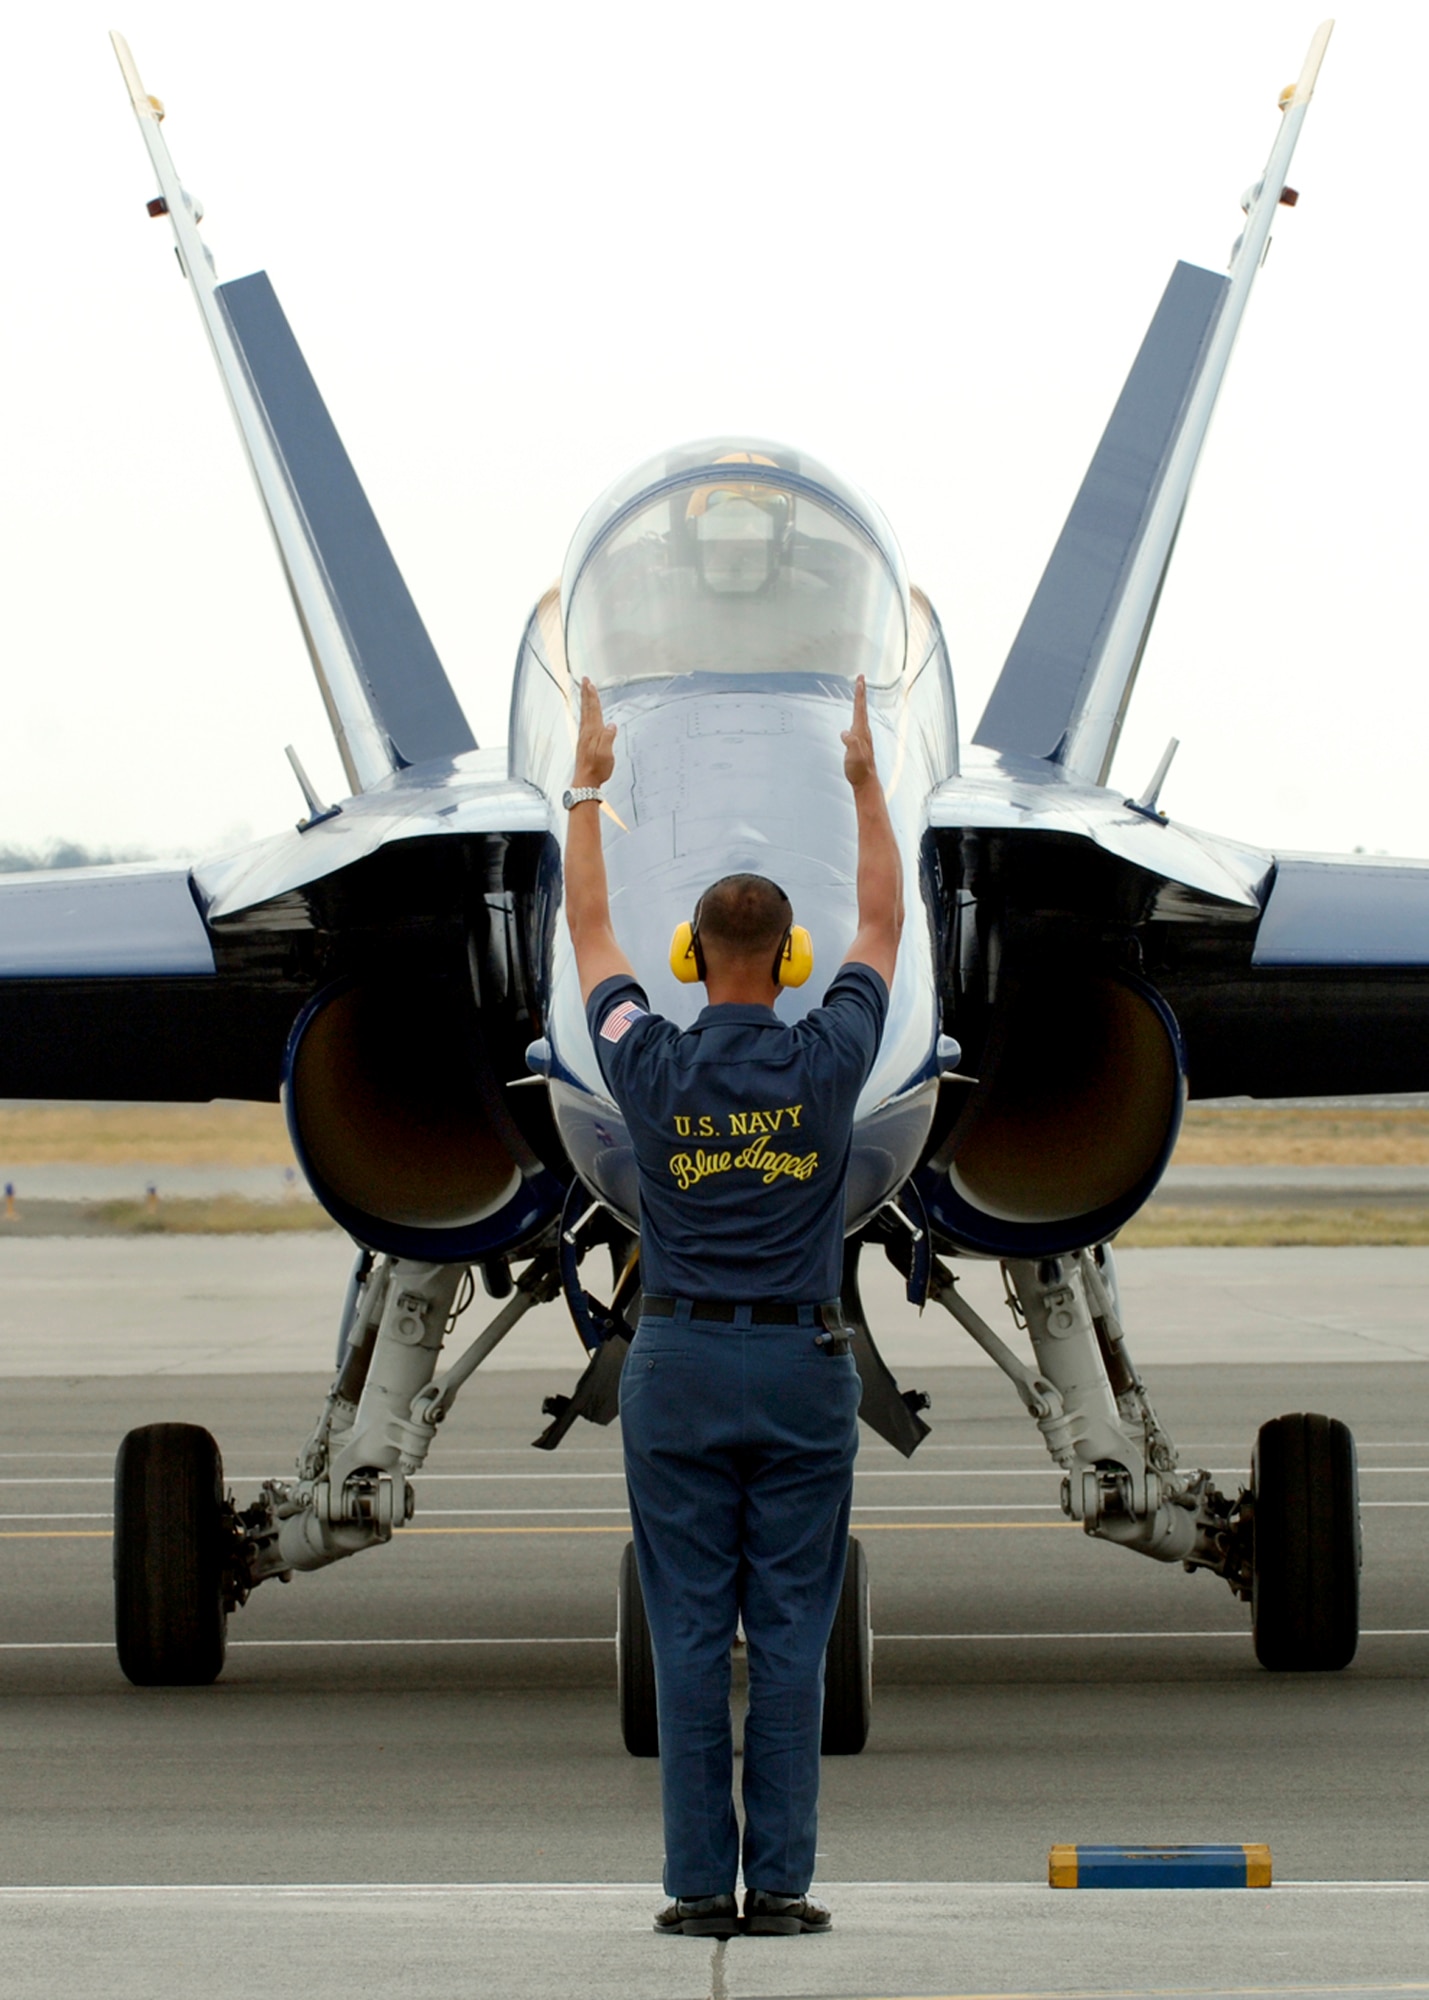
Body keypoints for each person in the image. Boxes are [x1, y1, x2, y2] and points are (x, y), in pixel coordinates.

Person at [563, 672, 903, 1939]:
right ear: (790, 957)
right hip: (806, 1370)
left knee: (693, 1636)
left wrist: (588, 784)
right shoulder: (831, 1058)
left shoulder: (645, 1058)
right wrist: (866, 783)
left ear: (694, 956)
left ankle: (700, 1888)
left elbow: (590, 930)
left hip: (679, 1366)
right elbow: (882, 922)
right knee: (795, 1640)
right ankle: (787, 1887)